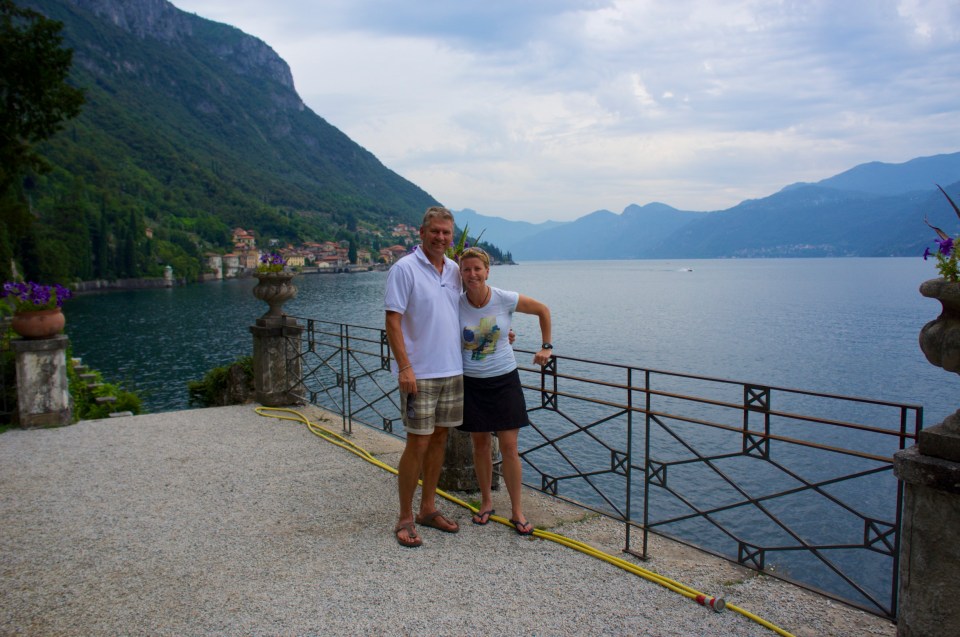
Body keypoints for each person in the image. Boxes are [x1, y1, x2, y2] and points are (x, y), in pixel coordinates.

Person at [457, 247, 553, 535]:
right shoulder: (455, 303)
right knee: (480, 445)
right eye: (466, 269)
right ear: (460, 273)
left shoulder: (504, 298)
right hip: (472, 382)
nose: (472, 274)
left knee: (510, 447)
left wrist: (546, 347)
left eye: (477, 269)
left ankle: (517, 511)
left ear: (487, 271)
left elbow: (543, 310)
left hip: (504, 380)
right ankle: (486, 502)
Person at [384, 206, 464, 548]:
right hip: (420, 373)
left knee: (440, 439)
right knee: (417, 442)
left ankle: (427, 509)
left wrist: (500, 332)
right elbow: (392, 319)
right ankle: (405, 516)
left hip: (453, 368)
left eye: (446, 232)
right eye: (435, 231)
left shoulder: (455, 270)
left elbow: (466, 311)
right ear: (422, 232)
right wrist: (404, 367)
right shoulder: (404, 269)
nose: (441, 237)